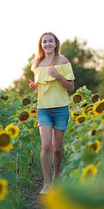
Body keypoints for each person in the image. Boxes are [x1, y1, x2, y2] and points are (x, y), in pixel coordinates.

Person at [29, 32, 75, 194]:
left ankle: (56, 178)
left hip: (61, 108)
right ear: (41, 45)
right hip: (43, 109)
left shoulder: (63, 62)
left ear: (56, 44)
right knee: (46, 144)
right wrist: (35, 87)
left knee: (57, 148)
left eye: (50, 41)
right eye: (44, 42)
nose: (47, 44)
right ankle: (46, 184)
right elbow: (41, 84)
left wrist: (58, 75)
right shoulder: (37, 64)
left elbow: (70, 87)